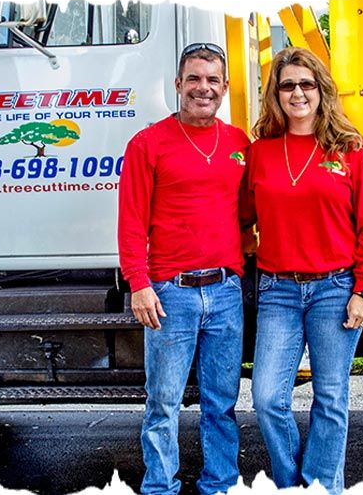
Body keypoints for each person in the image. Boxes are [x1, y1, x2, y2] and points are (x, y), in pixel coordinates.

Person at [243, 47, 363, 495]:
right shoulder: (260, 153)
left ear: (321, 90)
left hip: (335, 289)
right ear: (276, 94)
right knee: (267, 398)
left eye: (306, 84)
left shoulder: (352, 151)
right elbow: (241, 216)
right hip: (278, 290)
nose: (297, 93)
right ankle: (291, 485)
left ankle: (322, 488)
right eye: (287, 85)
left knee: (330, 397)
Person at [117, 42, 251, 495]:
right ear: (178, 84)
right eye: (194, 78)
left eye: (213, 80)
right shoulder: (148, 144)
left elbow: (249, 210)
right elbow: (131, 222)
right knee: (163, 402)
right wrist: (139, 284)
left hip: (225, 291)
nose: (203, 88)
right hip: (170, 293)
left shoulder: (239, 144)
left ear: (225, 87)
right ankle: (160, 486)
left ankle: (220, 484)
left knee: (221, 403)